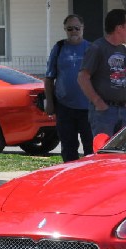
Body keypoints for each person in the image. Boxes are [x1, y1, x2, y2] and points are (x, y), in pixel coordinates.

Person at [77, 9, 126, 137]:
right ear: (119, 28)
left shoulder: (124, 50)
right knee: (103, 152)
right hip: (104, 112)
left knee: (120, 153)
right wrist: (98, 102)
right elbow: (82, 77)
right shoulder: (97, 48)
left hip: (123, 110)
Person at [45, 14, 93, 162]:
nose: (74, 32)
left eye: (77, 28)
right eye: (70, 29)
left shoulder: (91, 49)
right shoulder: (59, 48)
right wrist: (50, 103)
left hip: (88, 108)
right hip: (64, 108)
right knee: (68, 148)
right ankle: (71, 180)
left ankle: (90, 180)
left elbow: (99, 78)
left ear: (83, 28)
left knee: (91, 149)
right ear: (65, 29)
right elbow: (49, 77)